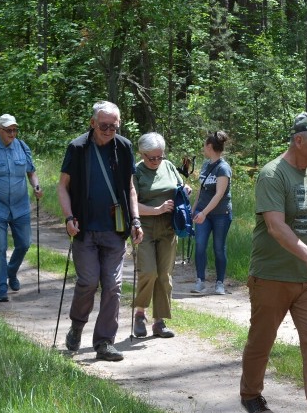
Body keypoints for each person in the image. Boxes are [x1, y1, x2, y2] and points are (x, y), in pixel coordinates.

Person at [240, 111, 307, 413]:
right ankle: (251, 393)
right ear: (298, 140)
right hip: (273, 274)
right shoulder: (272, 175)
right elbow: (275, 226)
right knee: (263, 338)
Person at [57, 101, 144, 361]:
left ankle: (105, 342)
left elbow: (130, 188)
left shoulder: (124, 147)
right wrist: (68, 217)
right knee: (88, 281)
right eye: (104, 125)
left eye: (114, 126)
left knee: (113, 286)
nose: (108, 130)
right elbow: (62, 186)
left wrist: (136, 220)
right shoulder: (78, 147)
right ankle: (77, 325)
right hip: (84, 228)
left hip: (115, 230)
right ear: (93, 123)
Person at [0, 114, 43, 302]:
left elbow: (31, 173)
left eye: (14, 130)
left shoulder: (22, 147)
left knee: (24, 244)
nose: (12, 133)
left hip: (21, 206)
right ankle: (1, 290)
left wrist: (36, 186)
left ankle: (11, 272)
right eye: (8, 130)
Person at [132, 132, 191, 339]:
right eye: (152, 158)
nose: (156, 161)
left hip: (168, 227)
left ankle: (159, 321)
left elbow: (177, 187)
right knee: (149, 271)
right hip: (145, 228)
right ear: (142, 153)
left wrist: (184, 190)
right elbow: (132, 205)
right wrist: (157, 209)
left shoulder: (168, 166)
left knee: (164, 274)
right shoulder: (136, 172)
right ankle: (140, 313)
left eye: (160, 156)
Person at [191, 130, 233, 296]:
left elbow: (219, 194)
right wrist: (194, 209)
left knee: (218, 248)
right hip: (202, 212)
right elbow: (201, 190)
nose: (203, 148)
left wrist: (204, 213)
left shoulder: (223, 168)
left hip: (221, 213)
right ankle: (200, 281)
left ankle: (219, 283)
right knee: (200, 245)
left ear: (209, 146)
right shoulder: (205, 165)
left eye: (204, 145)